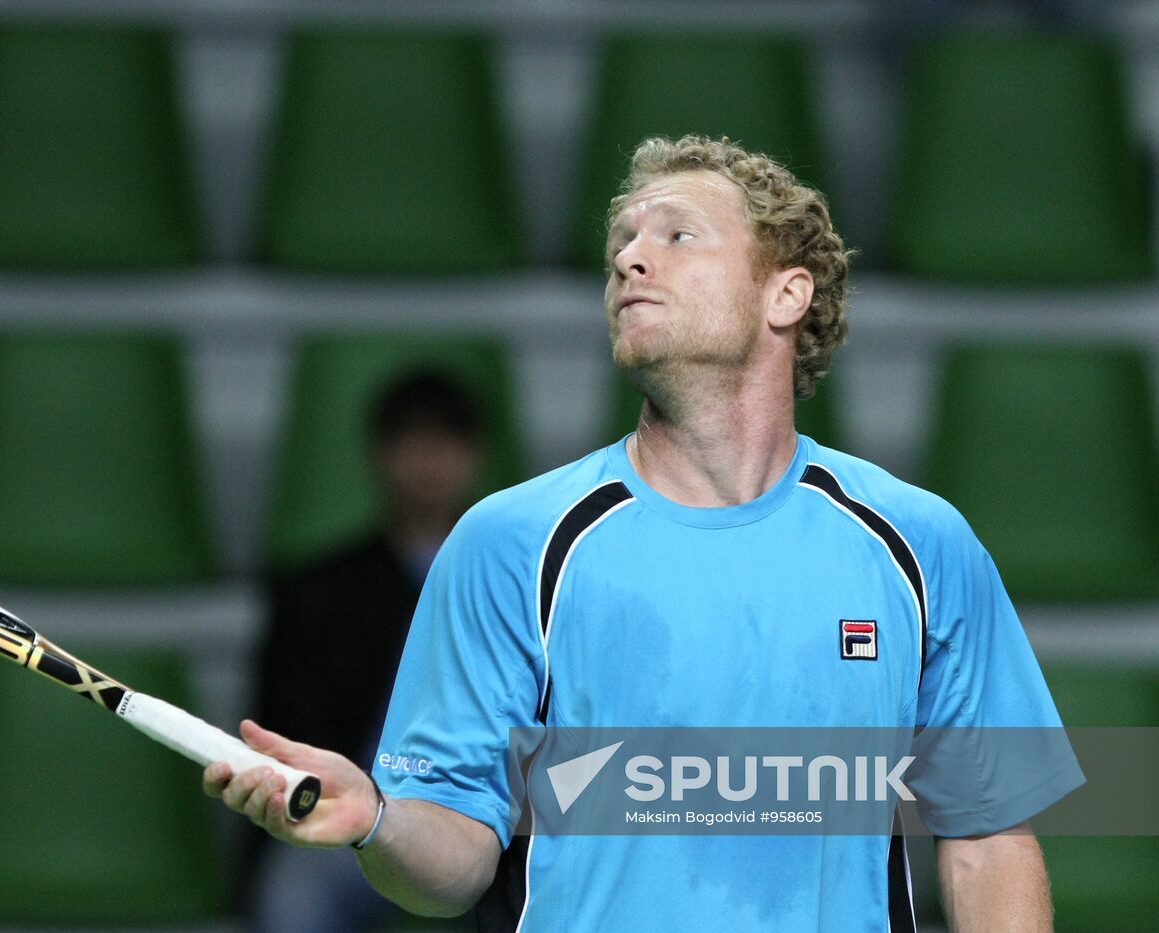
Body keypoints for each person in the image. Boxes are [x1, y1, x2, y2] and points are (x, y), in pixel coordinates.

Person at [206, 135, 1083, 931]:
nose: (629, 257)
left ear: (786, 293)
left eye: (677, 235)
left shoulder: (920, 544)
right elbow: (455, 864)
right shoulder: (509, 543)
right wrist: (380, 822)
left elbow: (988, 841)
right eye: (621, 241)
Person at [246, 371, 485, 931]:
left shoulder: (517, 583)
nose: (428, 460)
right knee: (292, 899)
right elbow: (285, 724)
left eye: (445, 441)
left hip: (485, 817)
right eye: (410, 440)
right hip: (350, 813)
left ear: (473, 455)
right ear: (379, 455)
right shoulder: (317, 591)